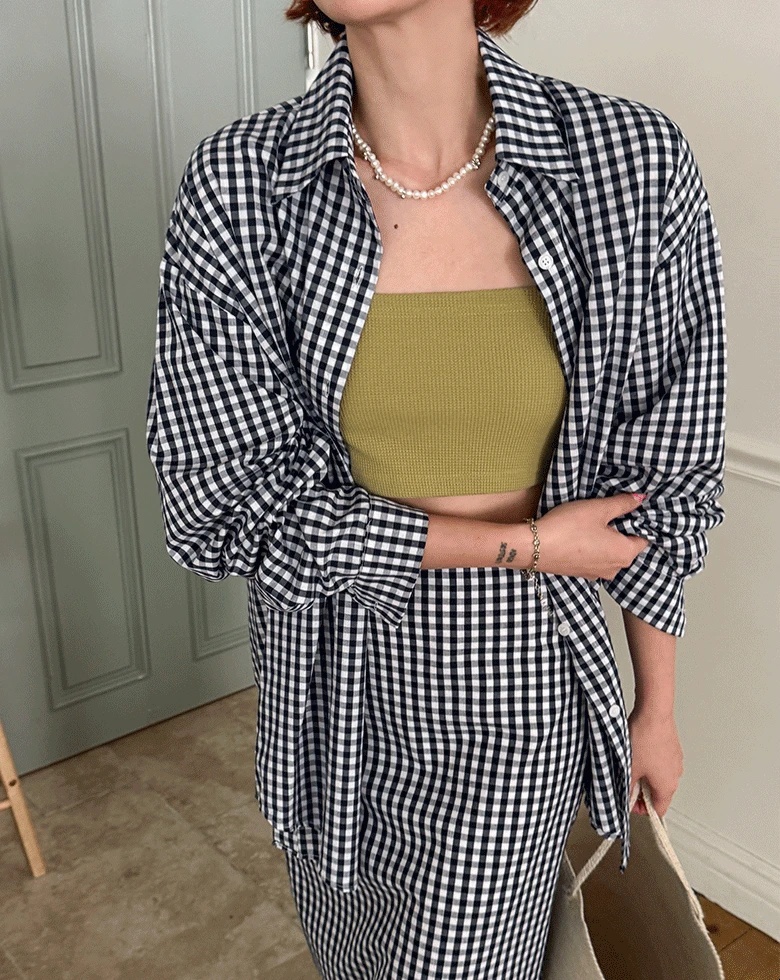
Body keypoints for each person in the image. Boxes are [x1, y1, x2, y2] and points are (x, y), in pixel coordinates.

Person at [145, 1, 727, 976]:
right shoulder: (243, 181)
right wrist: (526, 543)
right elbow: (220, 499)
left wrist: (656, 704)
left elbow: (661, 479)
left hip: (521, 680)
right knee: (356, 953)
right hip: (324, 683)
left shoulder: (627, 163)